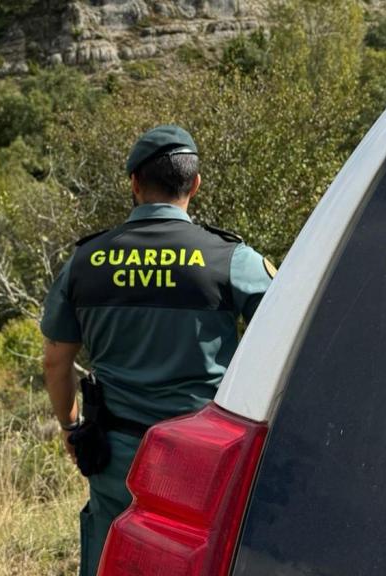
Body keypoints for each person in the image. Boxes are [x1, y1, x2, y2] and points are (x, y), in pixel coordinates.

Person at [40, 125, 275, 576]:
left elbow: (56, 359)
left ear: (133, 184)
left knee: (113, 552)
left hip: (116, 449)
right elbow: (292, 333)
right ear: (195, 184)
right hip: (205, 456)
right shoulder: (230, 259)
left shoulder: (87, 261)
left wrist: (71, 429)